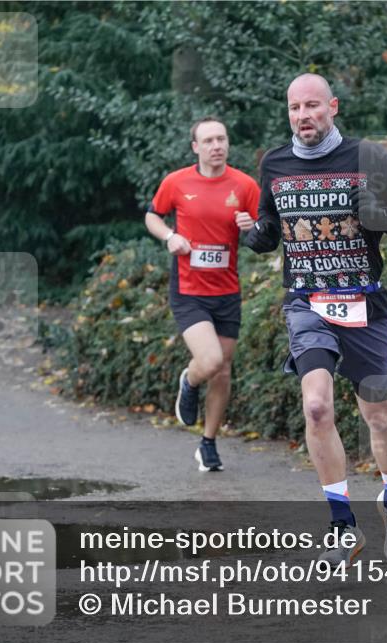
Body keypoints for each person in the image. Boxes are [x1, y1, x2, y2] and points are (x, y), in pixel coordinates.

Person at [244, 74, 387, 565]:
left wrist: (378, 214)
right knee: (315, 407)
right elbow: (271, 229)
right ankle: (341, 524)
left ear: (332, 107)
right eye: (294, 108)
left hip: (365, 304)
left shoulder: (366, 157)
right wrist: (255, 234)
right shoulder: (275, 163)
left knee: (378, 416)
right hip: (307, 301)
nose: (303, 116)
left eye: (312, 106)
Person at [145, 117, 260, 472]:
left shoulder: (244, 185)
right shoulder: (177, 182)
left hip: (227, 291)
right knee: (209, 362)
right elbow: (152, 216)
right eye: (208, 140)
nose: (216, 146)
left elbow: (264, 235)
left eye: (221, 139)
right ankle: (189, 379)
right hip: (189, 290)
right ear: (195, 147)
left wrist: (252, 227)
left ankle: (208, 443)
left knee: (223, 371)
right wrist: (170, 237)